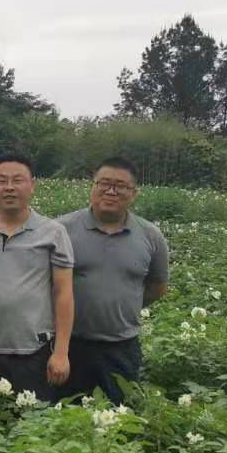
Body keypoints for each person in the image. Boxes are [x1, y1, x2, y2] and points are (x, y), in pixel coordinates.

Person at [0, 153, 74, 401]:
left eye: (17, 180)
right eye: (1, 181)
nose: (9, 187)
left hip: (34, 352)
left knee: (33, 420)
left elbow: (63, 294)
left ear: (32, 185)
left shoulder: (53, 233)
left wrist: (61, 352)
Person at [58, 157, 169, 403]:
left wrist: (123, 306)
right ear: (93, 186)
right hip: (68, 345)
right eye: (104, 183)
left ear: (134, 193)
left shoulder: (150, 235)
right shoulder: (61, 230)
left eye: (120, 186)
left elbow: (158, 287)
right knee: (64, 414)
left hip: (122, 348)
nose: (111, 191)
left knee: (119, 414)